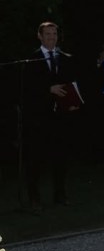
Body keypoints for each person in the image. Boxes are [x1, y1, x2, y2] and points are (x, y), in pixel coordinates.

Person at [22, 21, 82, 211]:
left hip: (61, 116)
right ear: (40, 36)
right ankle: (34, 199)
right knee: (36, 159)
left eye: (54, 34)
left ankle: (60, 195)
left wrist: (73, 101)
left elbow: (72, 82)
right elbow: (26, 89)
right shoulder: (31, 60)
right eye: (47, 34)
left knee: (61, 157)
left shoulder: (65, 57)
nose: (51, 37)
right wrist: (48, 89)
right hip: (39, 117)